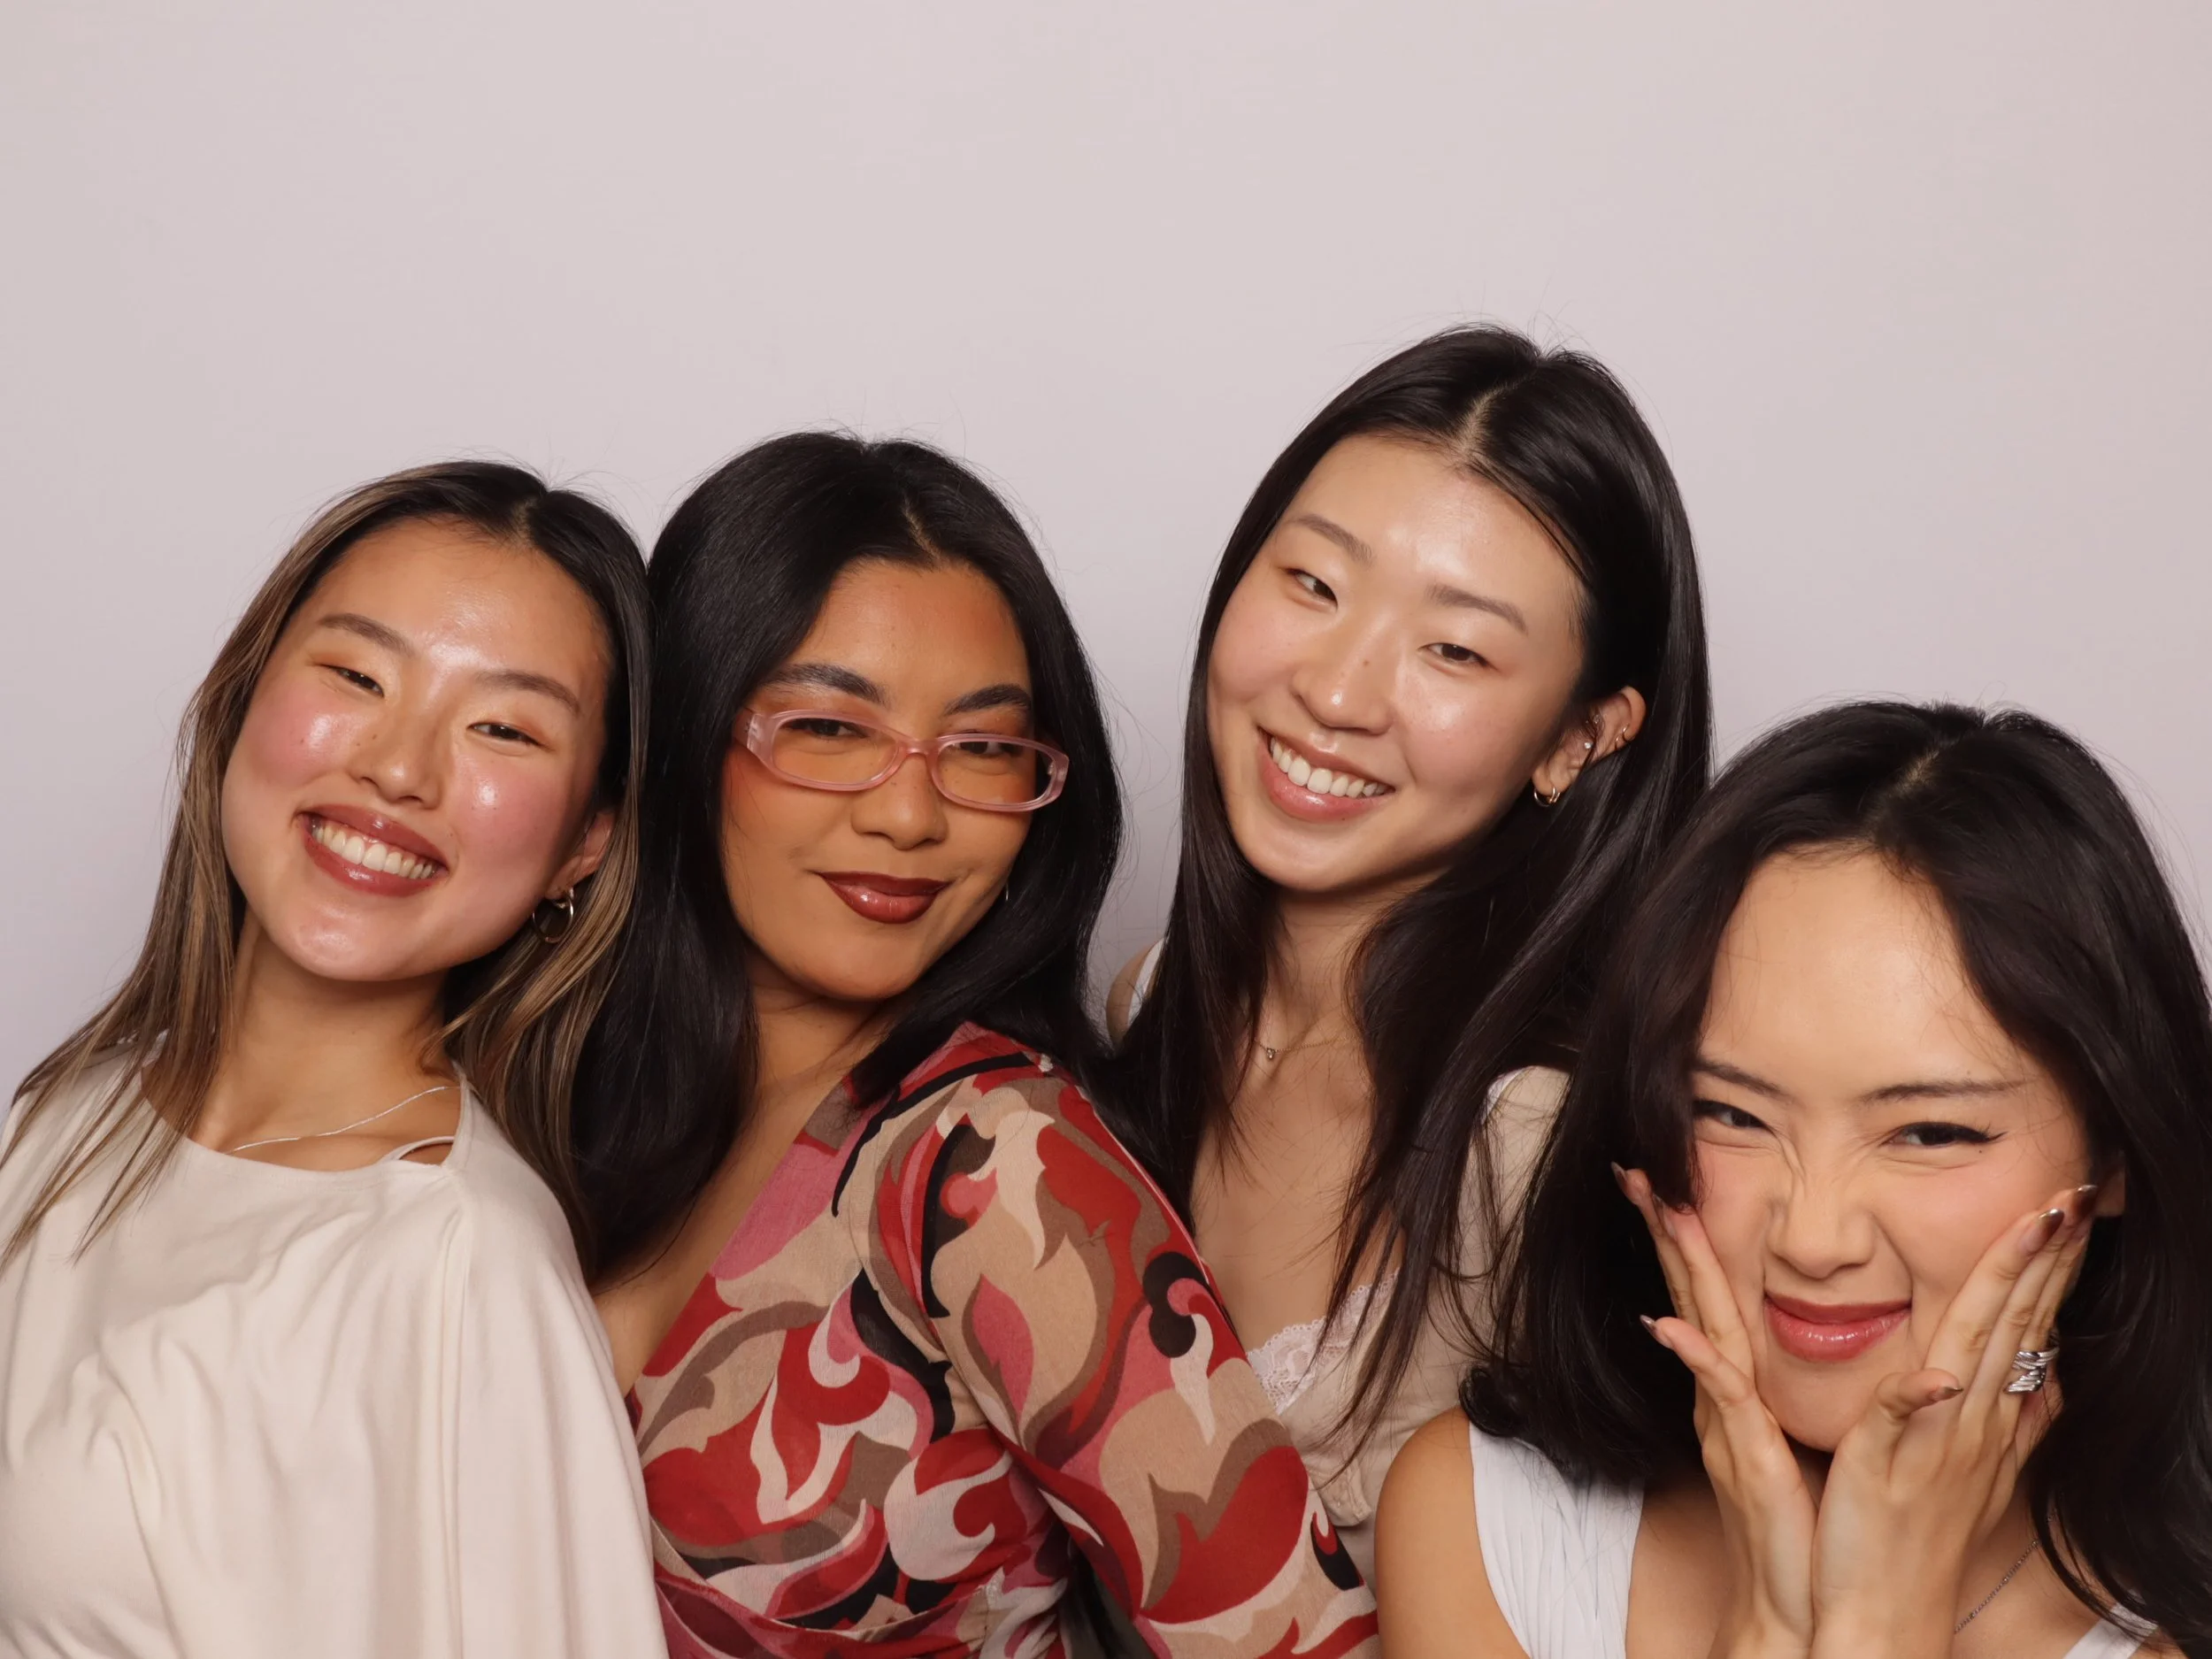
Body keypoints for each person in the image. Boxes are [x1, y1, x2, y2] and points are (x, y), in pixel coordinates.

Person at [577, 433, 1378, 1658]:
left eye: (985, 748)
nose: (909, 812)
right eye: (829, 727)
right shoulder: (549, 1086)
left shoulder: (1003, 1167)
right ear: (684, 732)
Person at [1376, 702, 2210, 1655]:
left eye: (1929, 1131)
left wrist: (1881, 1626)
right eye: (1732, 1115)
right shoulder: (1490, 1523)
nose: (1812, 1240)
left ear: (2113, 1157)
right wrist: (1775, 1626)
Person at [0, 464, 666, 1655]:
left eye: (504, 727)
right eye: (358, 675)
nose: (401, 768)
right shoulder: (63, 1118)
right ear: (240, 697)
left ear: (583, 846)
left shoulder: (459, 1263)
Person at [1102, 325, 1711, 1574]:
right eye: (1313, 584)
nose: (1337, 689)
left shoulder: (1553, 1147)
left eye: (1455, 649)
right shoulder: (1150, 1004)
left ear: (1580, 740)